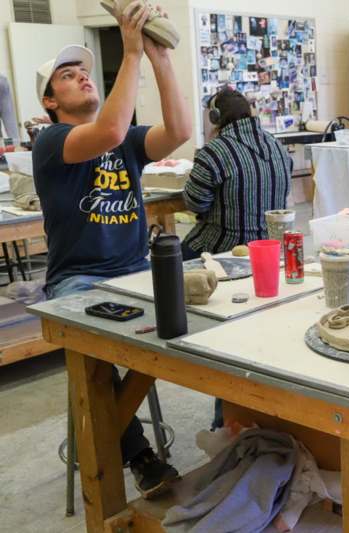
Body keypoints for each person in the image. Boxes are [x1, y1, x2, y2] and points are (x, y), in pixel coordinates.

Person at [32, 2, 191, 499]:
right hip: (77, 281)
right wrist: (130, 54)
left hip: (134, 271)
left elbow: (180, 132)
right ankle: (140, 456)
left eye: (85, 72)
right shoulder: (52, 141)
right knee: (100, 352)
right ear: (50, 102)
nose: (82, 78)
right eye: (67, 76)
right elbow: (111, 131)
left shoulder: (124, 141)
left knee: (198, 329)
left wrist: (159, 58)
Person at [181, 87, 292, 261]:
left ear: (215, 117)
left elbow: (195, 204)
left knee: (168, 260)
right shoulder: (278, 146)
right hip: (271, 246)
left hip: (226, 246)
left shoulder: (214, 151)